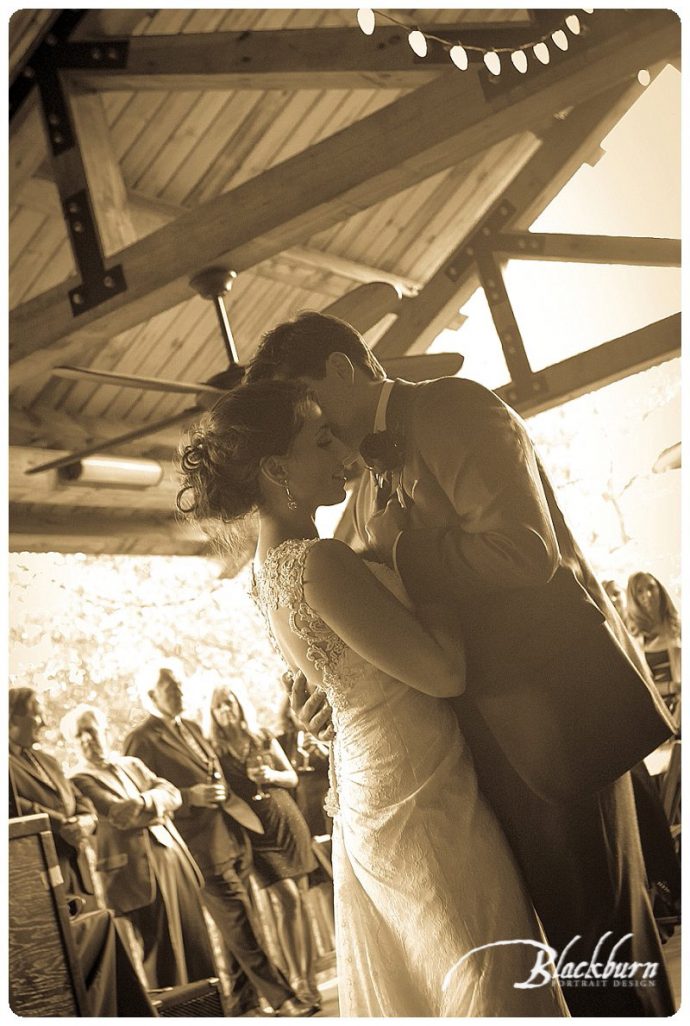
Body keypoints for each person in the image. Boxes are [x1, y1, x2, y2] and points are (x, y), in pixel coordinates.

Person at [243, 310, 676, 1017]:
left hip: (553, 725)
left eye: (309, 399)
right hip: (466, 756)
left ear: (343, 371)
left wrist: (408, 551)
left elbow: (525, 550)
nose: (310, 420)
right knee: (558, 965)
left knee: (605, 954)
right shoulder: (359, 489)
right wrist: (328, 686)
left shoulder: (453, 407)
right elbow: (352, 608)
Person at [176, 378, 568, 1016]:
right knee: (483, 964)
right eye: (321, 437)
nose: (344, 453)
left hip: (376, 780)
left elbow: (337, 677)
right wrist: (415, 561)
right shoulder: (320, 560)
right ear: (278, 468)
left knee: (438, 970)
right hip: (417, 791)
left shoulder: (267, 572)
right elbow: (443, 673)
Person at [123, 664, 316, 1017]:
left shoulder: (194, 728)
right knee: (243, 927)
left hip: (234, 839)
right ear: (152, 696)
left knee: (238, 930)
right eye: (171, 687)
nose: (180, 691)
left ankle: (244, 1003)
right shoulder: (142, 740)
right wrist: (189, 795)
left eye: (180, 684)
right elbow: (140, 797)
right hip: (199, 850)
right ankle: (284, 998)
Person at [9, 687, 156, 1016]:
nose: (43, 721)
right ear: (10, 716)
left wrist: (88, 821)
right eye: (34, 712)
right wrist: (62, 823)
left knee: (97, 971)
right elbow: (18, 812)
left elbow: (82, 802)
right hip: (38, 880)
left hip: (78, 876)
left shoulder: (47, 760)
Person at [61, 703, 217, 990]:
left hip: (174, 857)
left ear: (104, 731)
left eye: (91, 731)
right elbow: (119, 814)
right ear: (72, 744)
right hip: (135, 874)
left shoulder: (130, 764)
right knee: (162, 955)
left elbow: (173, 794)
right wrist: (156, 804)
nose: (87, 739)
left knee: (197, 942)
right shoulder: (77, 780)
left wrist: (145, 802)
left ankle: (215, 1009)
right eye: (78, 735)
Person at [208, 686, 319, 1008]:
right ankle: (296, 982)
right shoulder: (215, 749)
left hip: (286, 821)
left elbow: (292, 778)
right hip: (254, 832)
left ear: (239, 704)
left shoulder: (262, 736)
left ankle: (308, 981)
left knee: (299, 904)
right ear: (212, 714)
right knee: (286, 899)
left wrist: (270, 773)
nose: (225, 708)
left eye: (228, 701)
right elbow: (224, 794)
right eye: (218, 706)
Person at [627, 571, 681, 700]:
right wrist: (672, 687)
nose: (647, 595)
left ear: (660, 590)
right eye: (639, 591)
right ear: (633, 599)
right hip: (660, 709)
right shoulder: (635, 640)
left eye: (651, 587)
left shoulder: (679, 626)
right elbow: (639, 685)